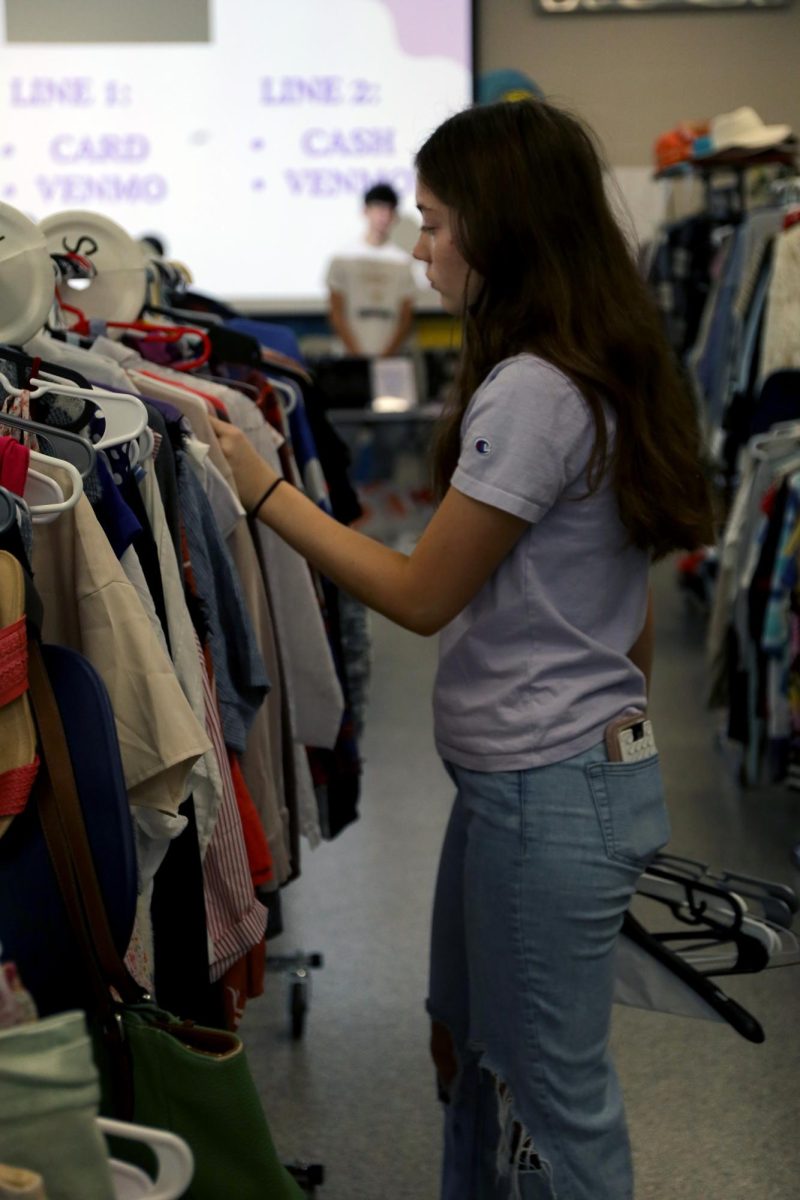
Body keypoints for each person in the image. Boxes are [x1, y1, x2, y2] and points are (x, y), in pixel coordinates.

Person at [211, 98, 713, 1200]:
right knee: (469, 1045)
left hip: (546, 794)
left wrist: (264, 492)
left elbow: (419, 594)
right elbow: (615, 609)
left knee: (548, 1096)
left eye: (434, 223)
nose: (420, 247)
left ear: (501, 229)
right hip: (546, 781)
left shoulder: (533, 390)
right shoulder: (587, 364)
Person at [326, 182, 416, 357]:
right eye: (378, 208)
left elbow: (406, 317)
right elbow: (335, 312)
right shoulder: (342, 257)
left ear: (394, 216)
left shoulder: (402, 261)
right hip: (349, 356)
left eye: (389, 209)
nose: (383, 215)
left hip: (391, 357)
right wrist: (356, 354)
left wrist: (387, 355)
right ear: (365, 211)